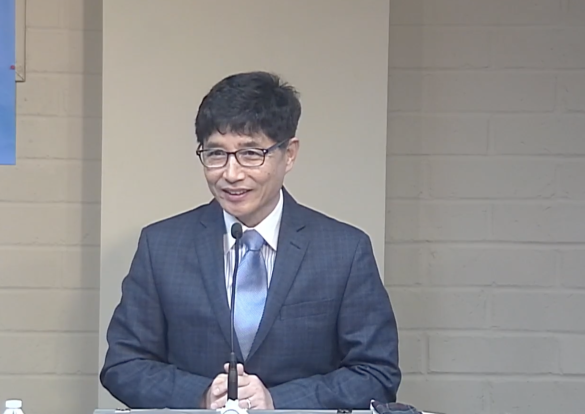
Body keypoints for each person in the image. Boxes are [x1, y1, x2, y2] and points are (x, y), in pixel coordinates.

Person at [100, 71, 401, 410]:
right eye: (216, 154)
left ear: (289, 154)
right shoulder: (161, 246)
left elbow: (376, 373)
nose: (231, 174)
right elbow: (124, 365)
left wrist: (277, 401)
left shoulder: (344, 251)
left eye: (251, 153)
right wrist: (200, 395)